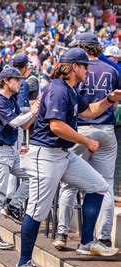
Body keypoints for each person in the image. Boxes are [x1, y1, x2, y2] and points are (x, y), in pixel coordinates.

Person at [14, 48, 121, 267]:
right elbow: (56, 126)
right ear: (74, 67)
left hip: (62, 154)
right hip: (45, 154)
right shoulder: (58, 89)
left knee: (98, 186)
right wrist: (86, 141)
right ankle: (23, 263)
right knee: (37, 211)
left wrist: (109, 100)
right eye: (84, 66)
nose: (87, 70)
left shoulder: (71, 89)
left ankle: (86, 243)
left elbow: (90, 112)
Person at [54, 33, 121, 250]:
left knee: (70, 184)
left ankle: (62, 234)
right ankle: (103, 237)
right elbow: (113, 102)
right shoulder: (111, 69)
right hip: (106, 128)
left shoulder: (75, 69)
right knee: (106, 184)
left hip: (79, 131)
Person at [0, 67, 38, 250]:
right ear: (6, 81)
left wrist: (34, 111)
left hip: (10, 151)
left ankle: (13, 206)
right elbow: (14, 122)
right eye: (16, 80)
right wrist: (31, 112)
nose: (20, 83)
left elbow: (24, 124)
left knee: (34, 177)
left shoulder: (11, 99)